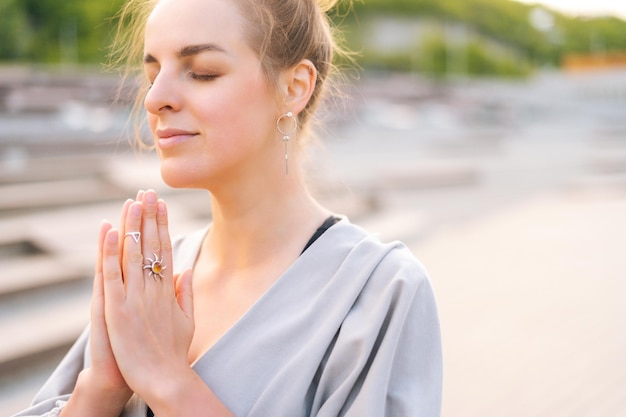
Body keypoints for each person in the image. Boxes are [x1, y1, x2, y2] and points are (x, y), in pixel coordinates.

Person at [13, 0, 442, 415]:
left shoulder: (377, 290)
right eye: (152, 73)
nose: (155, 98)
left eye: (201, 73)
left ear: (294, 88)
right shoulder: (152, 277)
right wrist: (101, 389)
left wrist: (168, 381)